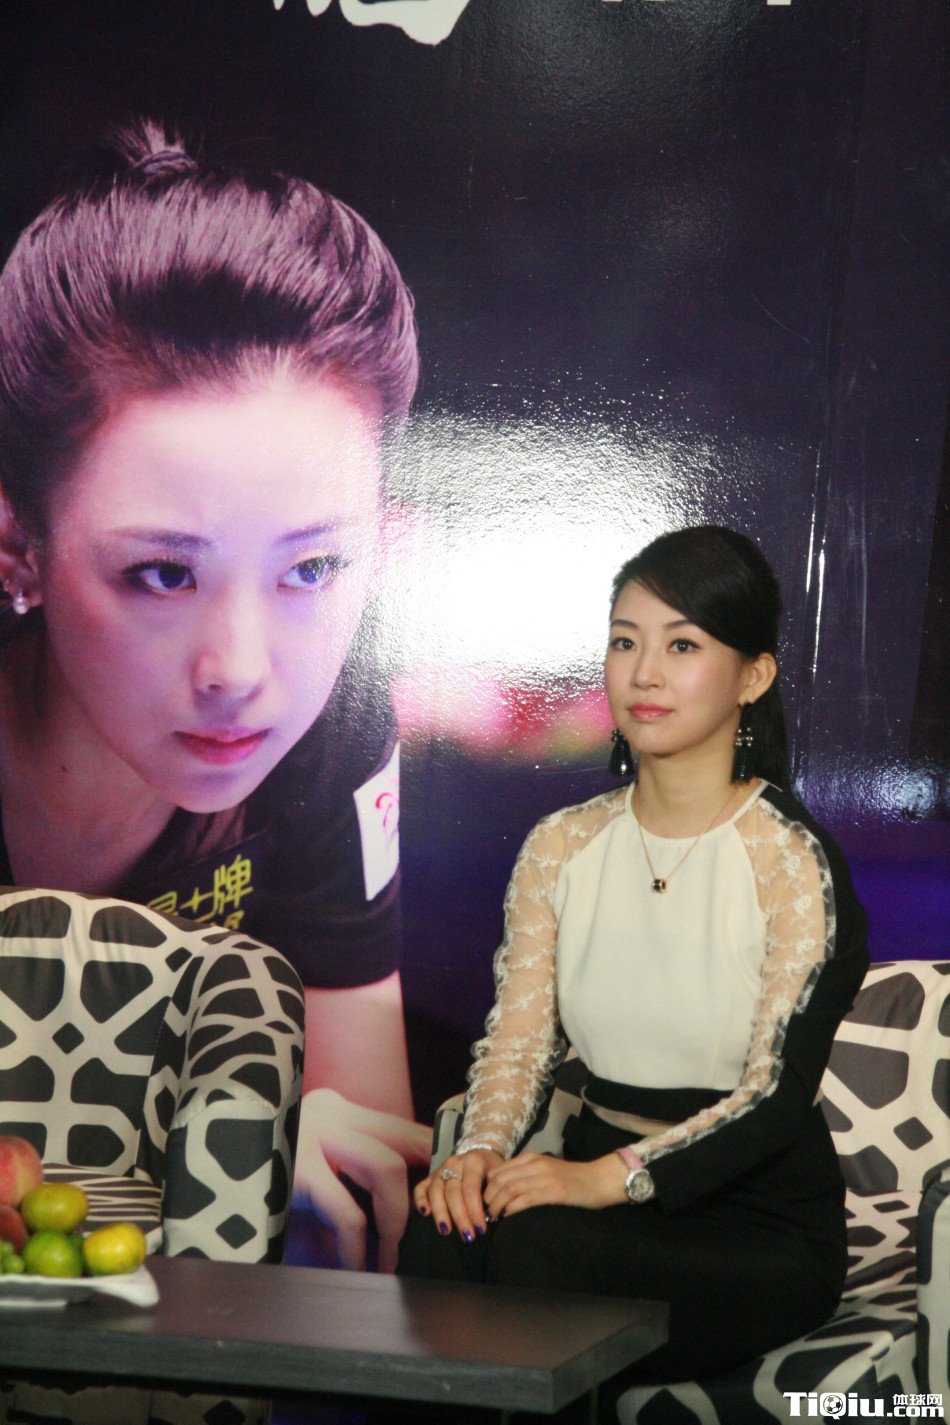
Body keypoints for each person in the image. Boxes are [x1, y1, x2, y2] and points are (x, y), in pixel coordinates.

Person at [0, 120, 430, 1272]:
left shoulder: (331, 729)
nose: (240, 669)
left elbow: (367, 1175)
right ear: (18, 548)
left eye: (312, 568)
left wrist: (301, 1144)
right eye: (161, 574)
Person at [399, 525, 869, 1388]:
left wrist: (608, 1178)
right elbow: (520, 1046)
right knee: (445, 1228)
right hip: (587, 1184)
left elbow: (775, 1093)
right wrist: (476, 1155)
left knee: (544, 1248)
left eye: (682, 645)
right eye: (625, 642)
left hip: (751, 1224)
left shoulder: (791, 859)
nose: (644, 673)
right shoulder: (562, 845)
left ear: (753, 676)